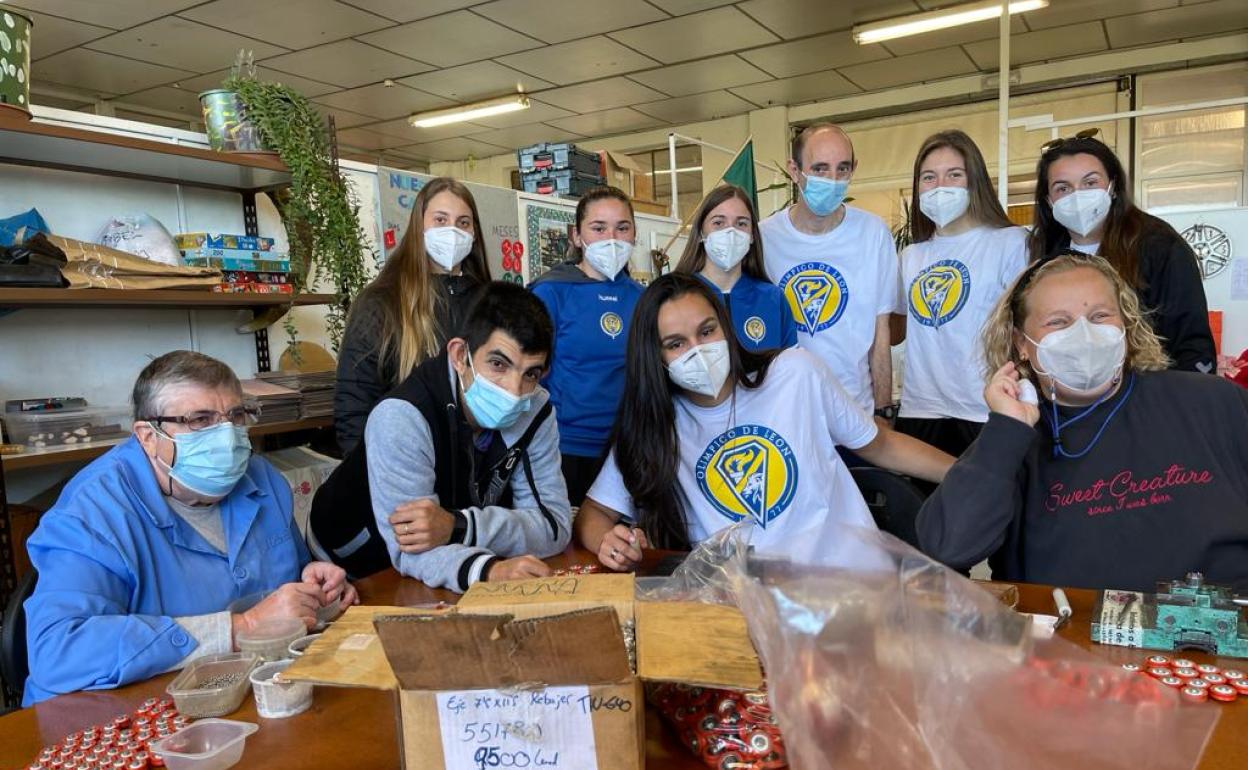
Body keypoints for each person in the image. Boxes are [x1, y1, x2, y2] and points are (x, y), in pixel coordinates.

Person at [22, 351, 356, 706]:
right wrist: (241, 628)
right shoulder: (92, 512)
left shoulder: (262, 478)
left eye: (236, 416)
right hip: (115, 714)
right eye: (200, 419)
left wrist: (311, 582)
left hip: (246, 691)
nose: (227, 437)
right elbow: (58, 650)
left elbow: (279, 587)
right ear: (148, 436)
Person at [574, 274, 955, 570]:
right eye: (676, 343)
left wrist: (971, 474)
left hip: (849, 587)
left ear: (726, 327)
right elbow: (594, 513)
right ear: (655, 357)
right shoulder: (655, 428)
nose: (698, 351)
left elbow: (881, 445)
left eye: (707, 331)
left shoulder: (794, 372)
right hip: (747, 606)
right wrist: (609, 541)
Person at [917, 254, 1248, 592]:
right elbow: (948, 547)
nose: (1084, 334)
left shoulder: (1215, 403)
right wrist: (1005, 431)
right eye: (1058, 322)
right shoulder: (1016, 438)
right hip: (1069, 636)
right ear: (1021, 344)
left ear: (1126, 326)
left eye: (1100, 316)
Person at [310, 282, 572, 592]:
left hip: (452, 555)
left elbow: (553, 525)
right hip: (352, 561)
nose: (514, 390)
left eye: (530, 373)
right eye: (498, 364)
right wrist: (490, 570)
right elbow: (411, 550)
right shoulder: (401, 417)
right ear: (460, 355)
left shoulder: (535, 408)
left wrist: (459, 526)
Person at [1028, 131, 1215, 373]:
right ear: (1048, 200)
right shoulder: (1046, 254)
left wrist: (1184, 400)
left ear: (1113, 187)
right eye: (1063, 188)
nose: (1078, 196)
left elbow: (1190, 339)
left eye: (1090, 182)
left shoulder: (1158, 245)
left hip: (1145, 390)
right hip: (1070, 394)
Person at [893, 130, 1028, 458]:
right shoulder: (910, 256)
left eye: (954, 174)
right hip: (922, 410)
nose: (940, 186)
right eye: (929, 177)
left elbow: (1025, 328)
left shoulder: (1011, 242)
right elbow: (895, 331)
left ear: (975, 181)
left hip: (985, 407)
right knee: (925, 508)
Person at [334, 177, 491, 454]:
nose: (453, 231)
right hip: (404, 461)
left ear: (475, 233)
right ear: (419, 225)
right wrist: (366, 475)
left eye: (463, 222)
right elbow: (355, 402)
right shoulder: (382, 301)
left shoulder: (489, 301)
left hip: (476, 467)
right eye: (441, 220)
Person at [761, 123, 900, 424]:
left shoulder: (873, 233)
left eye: (842, 169)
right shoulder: (764, 238)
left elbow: (881, 331)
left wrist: (883, 410)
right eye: (820, 169)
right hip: (788, 413)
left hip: (856, 412)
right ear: (795, 171)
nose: (832, 180)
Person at [529, 186, 645, 506]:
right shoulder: (550, 292)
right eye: (598, 228)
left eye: (622, 227)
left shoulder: (643, 299)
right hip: (564, 449)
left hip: (625, 449)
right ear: (577, 236)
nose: (612, 237)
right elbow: (528, 375)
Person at [674, 184, 796, 352]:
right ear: (701, 233)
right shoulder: (676, 298)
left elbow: (790, 367)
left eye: (741, 223)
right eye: (718, 222)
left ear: (752, 235)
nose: (730, 232)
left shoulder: (772, 299)